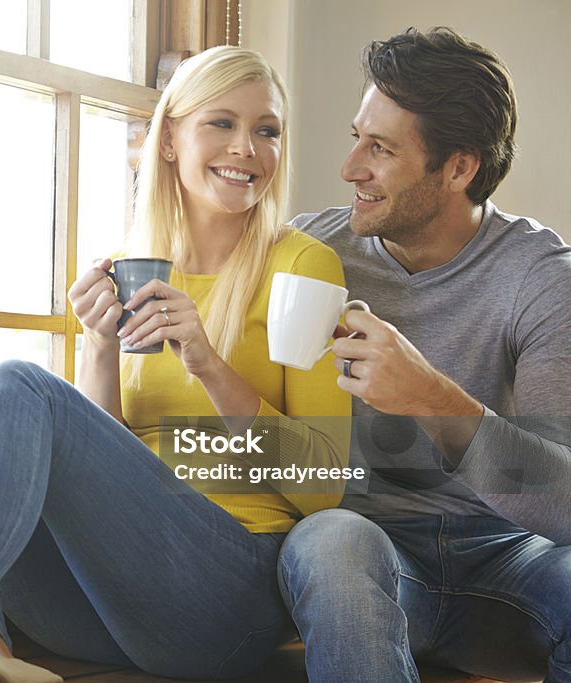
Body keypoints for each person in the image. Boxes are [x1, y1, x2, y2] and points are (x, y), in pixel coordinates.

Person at [0, 45, 351, 683]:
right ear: (170, 139)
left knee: (18, 383)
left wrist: (206, 361)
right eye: (222, 123)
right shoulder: (132, 263)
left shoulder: (302, 265)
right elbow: (106, 463)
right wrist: (99, 346)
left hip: (226, 602)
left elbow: (322, 487)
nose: (247, 148)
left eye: (267, 131)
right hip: (108, 607)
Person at [279, 27, 571, 683]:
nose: (350, 166)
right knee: (333, 540)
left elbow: (565, 502)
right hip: (367, 552)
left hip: (502, 554)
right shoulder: (308, 254)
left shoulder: (543, 276)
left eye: (379, 148)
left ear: (458, 168)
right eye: (357, 136)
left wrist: (430, 397)